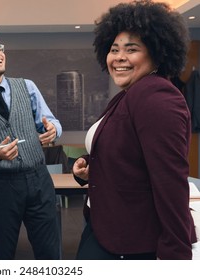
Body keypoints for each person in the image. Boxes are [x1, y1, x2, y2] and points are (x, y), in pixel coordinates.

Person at [72, 0, 197, 260]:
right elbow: (127, 153)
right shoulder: (129, 94)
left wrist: (176, 257)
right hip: (104, 228)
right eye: (114, 49)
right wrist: (88, 164)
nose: (119, 57)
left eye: (131, 49)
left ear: (157, 53)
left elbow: (170, 182)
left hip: (129, 243)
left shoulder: (157, 97)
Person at [0, 32, 62, 260]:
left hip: (39, 180)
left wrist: (53, 130)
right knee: (2, 256)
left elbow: (51, 121)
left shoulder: (27, 87)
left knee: (50, 253)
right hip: (0, 188)